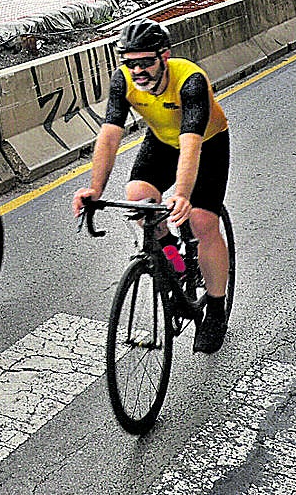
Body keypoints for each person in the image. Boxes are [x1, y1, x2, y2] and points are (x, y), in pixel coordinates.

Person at [71, 17, 232, 354]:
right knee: (138, 199)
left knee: (203, 222)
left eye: (146, 62)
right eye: (130, 63)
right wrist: (94, 191)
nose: (138, 70)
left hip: (206, 143)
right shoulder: (124, 81)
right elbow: (109, 136)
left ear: (165, 56)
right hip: (161, 141)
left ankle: (216, 309)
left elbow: (191, 144)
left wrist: (183, 196)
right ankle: (174, 260)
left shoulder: (189, 81)